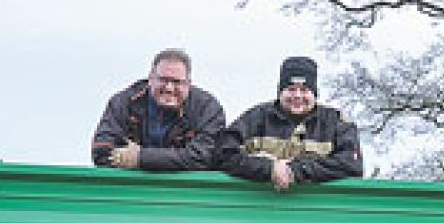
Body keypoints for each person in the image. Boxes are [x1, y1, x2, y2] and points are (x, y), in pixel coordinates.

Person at [219, 56, 365, 189]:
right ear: (280, 92)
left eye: (304, 90)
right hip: (259, 206)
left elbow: (352, 165)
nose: (297, 96)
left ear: (315, 94)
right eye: (291, 89)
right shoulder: (255, 118)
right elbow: (223, 155)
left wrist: (296, 170)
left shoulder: (336, 123)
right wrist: (269, 168)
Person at [91, 48, 225, 171]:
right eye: (163, 80)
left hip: (188, 188)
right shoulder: (123, 103)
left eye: (177, 82)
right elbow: (101, 150)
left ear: (189, 83)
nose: (169, 88)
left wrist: (140, 158)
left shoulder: (208, 109)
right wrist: (176, 160)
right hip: (131, 186)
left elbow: (206, 157)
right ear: (150, 79)